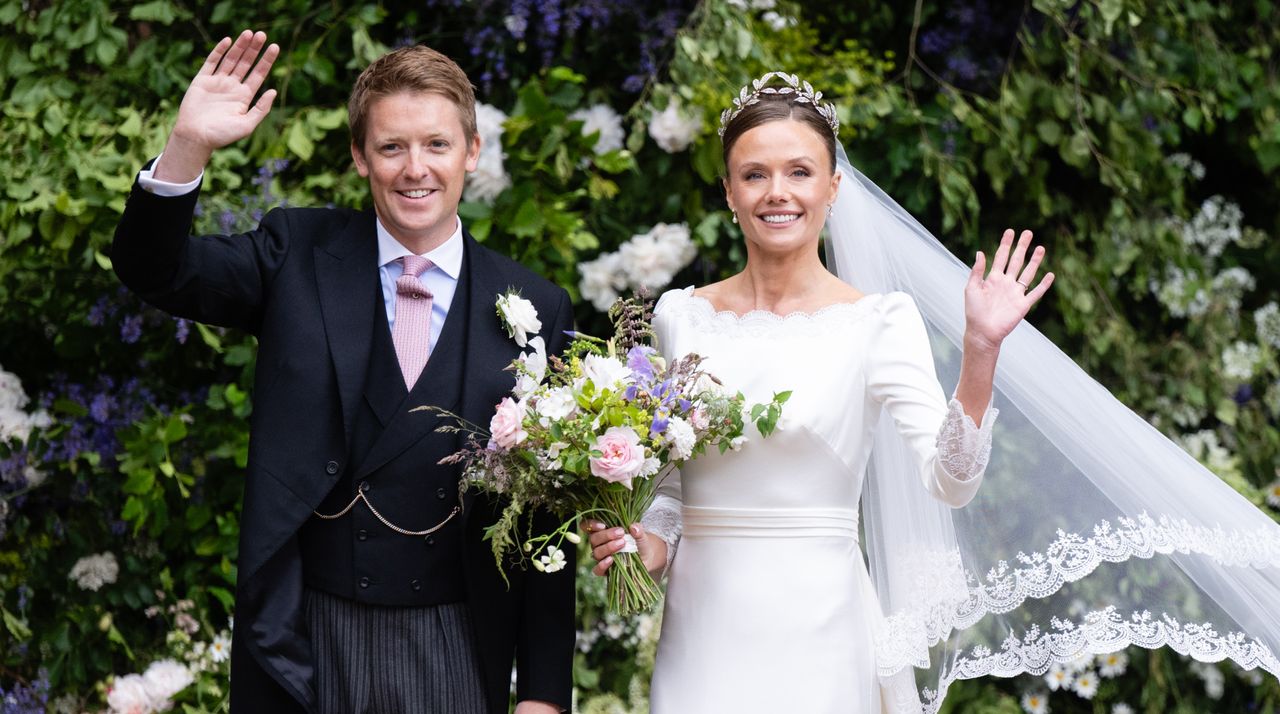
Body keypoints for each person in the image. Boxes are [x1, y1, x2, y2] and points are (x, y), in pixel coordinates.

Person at [588, 72, 1280, 712]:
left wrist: (980, 354)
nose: (779, 192)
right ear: (730, 190)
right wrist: (648, 543)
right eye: (755, 174)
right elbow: (675, 486)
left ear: (832, 187)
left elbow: (950, 483)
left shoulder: (877, 322)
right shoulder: (680, 315)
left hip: (820, 624)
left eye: (800, 172)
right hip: (702, 624)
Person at [112, 31, 574, 714]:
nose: (415, 168)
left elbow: (548, 513)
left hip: (454, 639)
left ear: (471, 152)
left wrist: (543, 695)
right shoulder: (296, 253)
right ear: (361, 156)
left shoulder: (536, 304)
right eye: (391, 147)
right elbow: (155, 271)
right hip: (307, 638)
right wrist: (189, 146)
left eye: (437, 145)